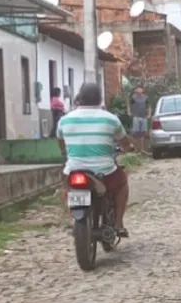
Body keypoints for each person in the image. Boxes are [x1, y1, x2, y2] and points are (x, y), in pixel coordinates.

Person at [57, 83, 134, 237]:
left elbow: (61, 143)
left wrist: (66, 153)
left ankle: (74, 219)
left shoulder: (64, 120)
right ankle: (118, 224)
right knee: (122, 184)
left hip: (74, 170)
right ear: (100, 99)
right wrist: (128, 148)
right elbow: (124, 142)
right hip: (104, 173)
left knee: (67, 189)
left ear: (79, 99)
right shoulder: (111, 119)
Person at [127, 85, 152, 154]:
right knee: (136, 133)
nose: (138, 92)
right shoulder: (133, 98)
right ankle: (136, 149)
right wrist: (129, 112)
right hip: (136, 117)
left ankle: (142, 149)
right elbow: (129, 105)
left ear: (142, 91)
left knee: (143, 133)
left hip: (144, 117)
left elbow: (149, 107)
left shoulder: (146, 98)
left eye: (140, 91)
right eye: (137, 91)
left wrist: (149, 114)